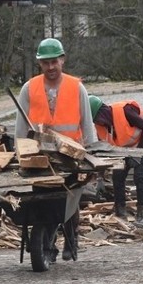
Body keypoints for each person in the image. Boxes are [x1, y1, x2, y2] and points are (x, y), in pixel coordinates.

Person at [15, 37, 97, 261]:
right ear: (39, 64)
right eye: (45, 63)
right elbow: (21, 128)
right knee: (45, 199)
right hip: (39, 158)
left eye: (54, 62)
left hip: (71, 157)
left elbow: (87, 124)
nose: (50, 67)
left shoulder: (76, 87)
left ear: (62, 60)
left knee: (68, 198)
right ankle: (47, 243)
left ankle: (72, 241)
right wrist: (20, 155)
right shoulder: (29, 88)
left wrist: (92, 157)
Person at [89, 96, 143, 228]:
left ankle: (142, 215)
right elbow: (105, 148)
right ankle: (121, 214)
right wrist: (100, 175)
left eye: (97, 119)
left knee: (140, 176)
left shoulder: (125, 111)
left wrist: (138, 155)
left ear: (102, 112)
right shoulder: (100, 125)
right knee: (118, 177)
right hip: (123, 148)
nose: (98, 122)